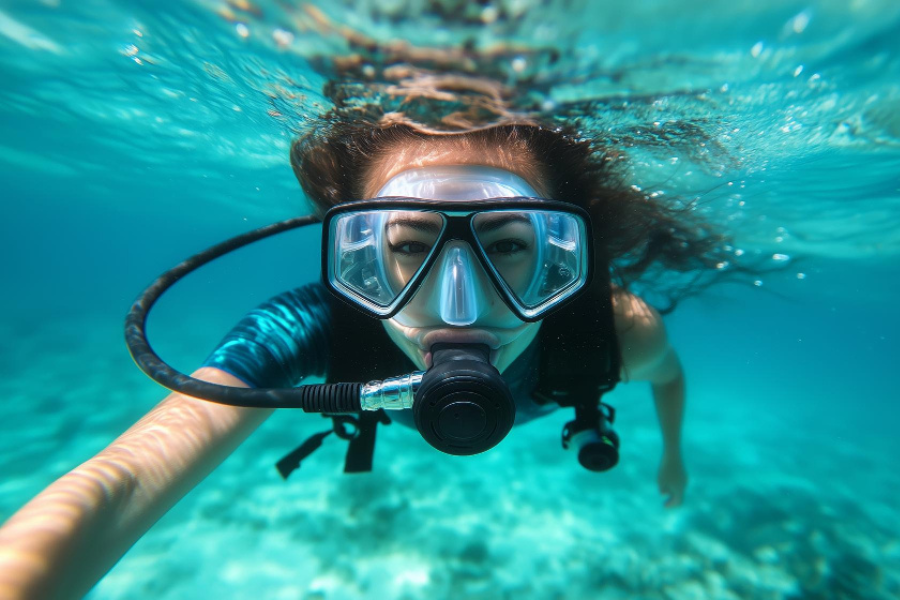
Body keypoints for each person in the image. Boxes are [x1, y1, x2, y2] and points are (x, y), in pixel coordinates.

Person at [0, 121, 693, 599]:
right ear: (361, 256)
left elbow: (670, 378)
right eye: (411, 246)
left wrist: (673, 454)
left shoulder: (615, 330)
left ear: (560, 254)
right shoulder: (315, 325)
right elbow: (129, 476)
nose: (459, 307)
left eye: (508, 245)